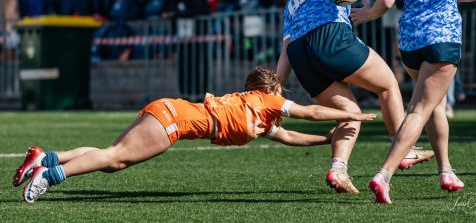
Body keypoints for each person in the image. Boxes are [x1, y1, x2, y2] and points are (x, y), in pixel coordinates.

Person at [14, 66, 377, 203]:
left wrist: (329, 139)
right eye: (280, 93)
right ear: (270, 90)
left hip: (170, 112)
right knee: (115, 158)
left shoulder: (261, 118)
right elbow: (311, 111)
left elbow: (291, 137)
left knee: (111, 158)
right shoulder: (265, 100)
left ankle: (46, 158)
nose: (283, 99)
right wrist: (352, 113)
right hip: (176, 120)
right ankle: (50, 176)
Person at [350, 0, 476, 204]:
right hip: (443, 36)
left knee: (434, 105)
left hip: (410, 39)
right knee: (421, 107)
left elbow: (388, 1)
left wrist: (367, 14)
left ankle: (446, 170)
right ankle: (384, 174)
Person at [276, 0, 434, 194]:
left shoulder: (291, 5)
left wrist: (275, 94)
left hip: (300, 56)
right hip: (329, 37)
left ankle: (338, 169)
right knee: (388, 85)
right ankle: (405, 149)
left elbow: (286, 51)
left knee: (349, 112)